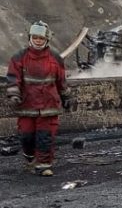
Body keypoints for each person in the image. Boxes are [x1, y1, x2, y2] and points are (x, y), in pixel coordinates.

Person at [5, 21, 73, 176]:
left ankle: (44, 165)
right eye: (35, 37)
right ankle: (30, 158)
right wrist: (14, 95)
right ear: (30, 37)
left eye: (41, 38)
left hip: (48, 105)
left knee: (45, 136)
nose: (38, 40)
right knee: (26, 136)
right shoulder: (19, 57)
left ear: (47, 39)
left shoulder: (55, 57)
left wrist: (67, 98)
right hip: (27, 104)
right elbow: (13, 78)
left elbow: (61, 81)